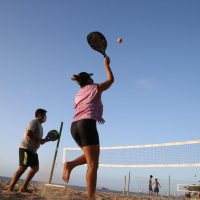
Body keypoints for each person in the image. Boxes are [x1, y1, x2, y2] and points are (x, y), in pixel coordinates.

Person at [62, 56, 114, 200]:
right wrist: (107, 65)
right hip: (86, 125)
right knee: (93, 164)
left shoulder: (78, 93)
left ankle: (70, 164)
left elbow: (87, 106)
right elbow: (111, 81)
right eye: (91, 78)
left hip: (74, 127)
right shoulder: (94, 87)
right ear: (89, 80)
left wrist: (97, 115)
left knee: (90, 158)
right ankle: (91, 198)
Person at [8, 108, 48, 192]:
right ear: (40, 115)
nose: (46, 117)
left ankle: (23, 187)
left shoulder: (40, 126)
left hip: (33, 151)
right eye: (45, 115)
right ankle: (10, 188)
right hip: (26, 149)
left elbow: (40, 141)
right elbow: (29, 133)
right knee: (22, 168)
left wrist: (45, 140)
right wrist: (39, 140)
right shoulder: (34, 122)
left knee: (35, 168)